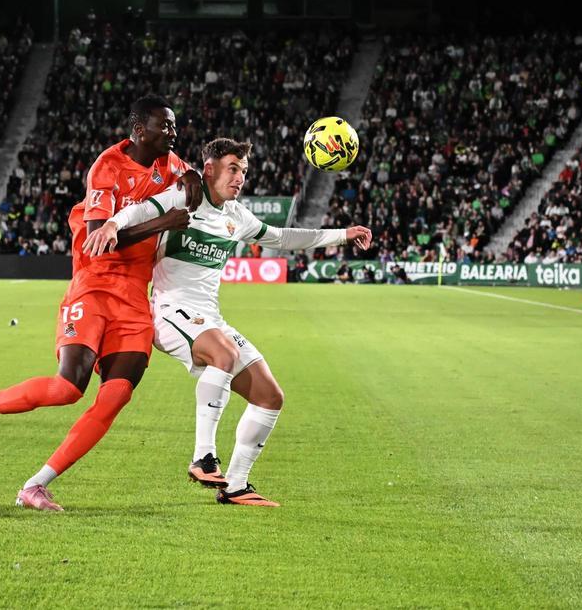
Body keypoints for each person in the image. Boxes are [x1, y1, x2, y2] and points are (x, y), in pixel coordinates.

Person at [0, 96, 201, 511]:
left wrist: (196, 180)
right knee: (67, 388)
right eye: (163, 126)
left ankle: (36, 485)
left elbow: (193, 180)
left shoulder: (171, 164)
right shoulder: (108, 167)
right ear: (138, 129)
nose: (171, 133)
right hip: (94, 285)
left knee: (115, 396)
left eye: (173, 126)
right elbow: (100, 236)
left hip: (135, 297)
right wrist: (164, 221)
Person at [82, 138, 372, 506]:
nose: (240, 178)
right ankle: (203, 456)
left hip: (208, 317)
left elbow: (281, 238)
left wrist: (343, 234)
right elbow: (139, 211)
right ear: (209, 169)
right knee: (224, 353)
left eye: (244, 171)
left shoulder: (237, 215)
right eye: (233, 168)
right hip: (170, 311)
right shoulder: (183, 196)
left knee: (270, 397)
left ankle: (236, 485)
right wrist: (110, 224)